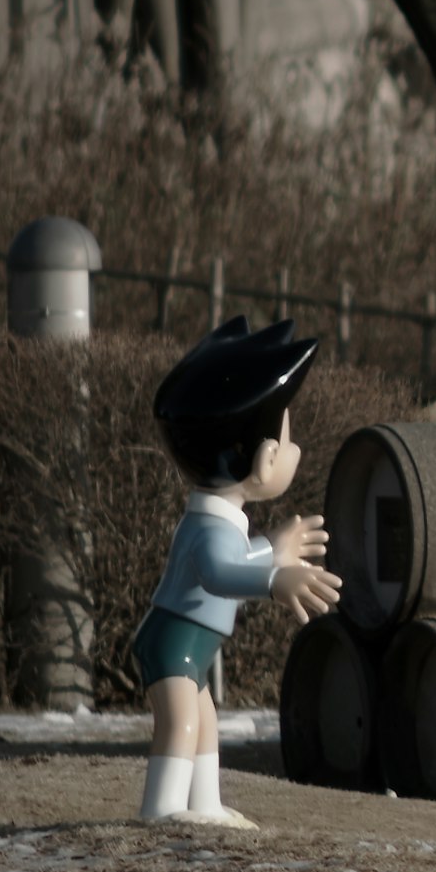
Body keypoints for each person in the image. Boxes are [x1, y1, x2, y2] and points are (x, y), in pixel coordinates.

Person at [137, 318, 342, 828]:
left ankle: (203, 804)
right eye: (287, 441)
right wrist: (275, 579)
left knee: (205, 723)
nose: (292, 452)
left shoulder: (215, 519)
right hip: (173, 643)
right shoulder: (208, 528)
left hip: (190, 645)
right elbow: (219, 574)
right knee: (183, 721)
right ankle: (160, 809)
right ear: (265, 457)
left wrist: (273, 548)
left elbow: (233, 558)